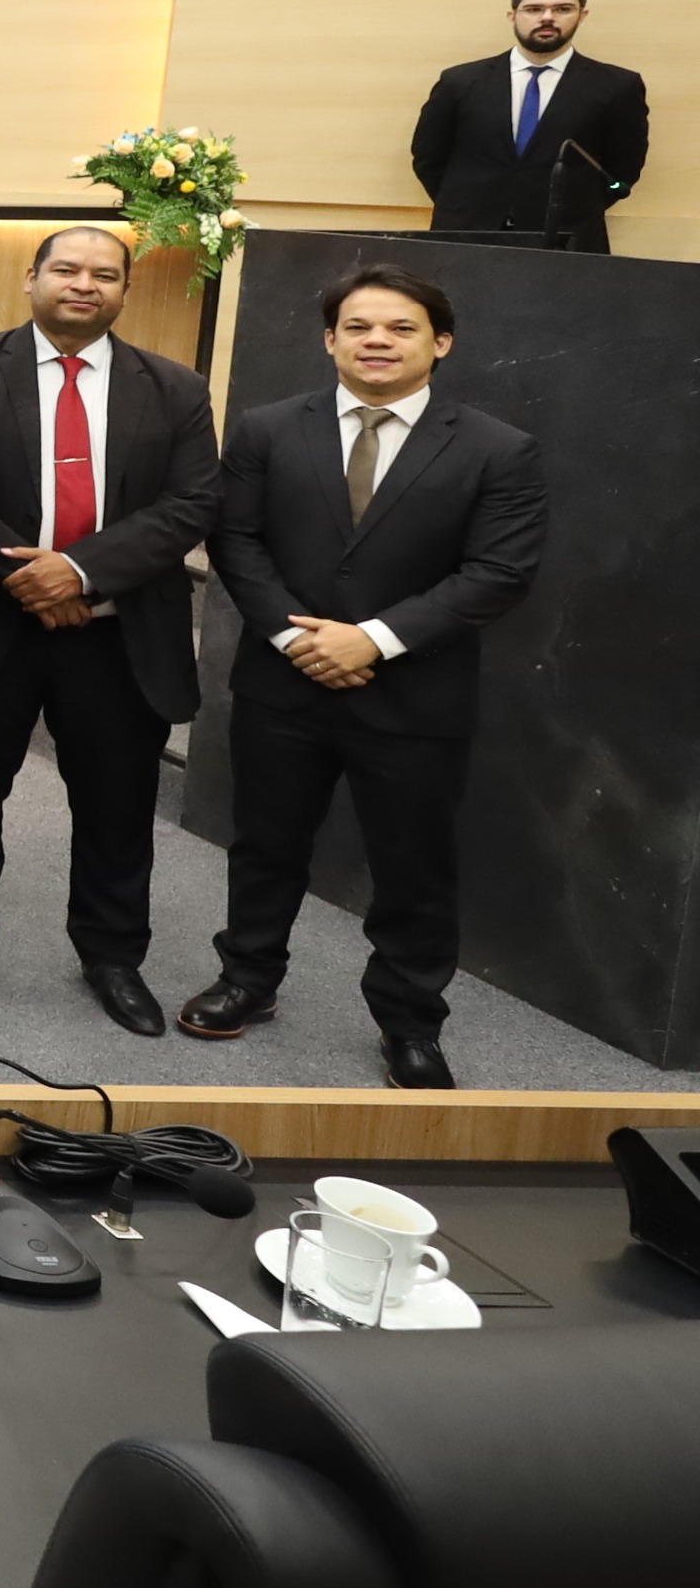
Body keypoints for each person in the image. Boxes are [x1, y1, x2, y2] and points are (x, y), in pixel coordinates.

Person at [187, 264, 545, 1089]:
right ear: (330, 339)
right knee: (266, 844)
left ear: (440, 342)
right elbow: (236, 540)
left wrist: (374, 640)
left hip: (415, 695)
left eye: (400, 327)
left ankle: (410, 1021)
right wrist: (294, 637)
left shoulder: (497, 448)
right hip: (283, 683)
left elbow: (498, 572)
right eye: (358, 326)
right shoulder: (268, 428)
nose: (377, 340)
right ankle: (248, 978)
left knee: (413, 865)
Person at [0, 227, 220, 1035]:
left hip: (118, 634)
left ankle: (112, 953)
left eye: (105, 274)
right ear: (32, 277)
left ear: (124, 291)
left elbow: (191, 504)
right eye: (68, 269)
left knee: (118, 802)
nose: (85, 284)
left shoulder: (176, 387)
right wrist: (30, 577)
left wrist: (80, 572)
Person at [407, 0, 650, 251]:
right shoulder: (460, 81)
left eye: (562, 9)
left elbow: (622, 169)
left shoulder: (617, 85)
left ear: (582, 15)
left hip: (566, 238)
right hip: (466, 232)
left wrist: (575, 208)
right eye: (534, 9)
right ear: (513, 15)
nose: (547, 18)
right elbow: (428, 157)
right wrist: (463, 204)